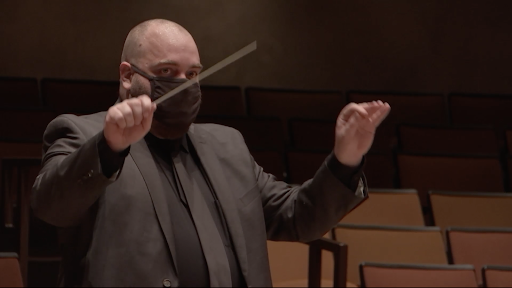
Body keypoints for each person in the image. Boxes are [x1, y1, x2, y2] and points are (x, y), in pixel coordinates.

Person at [31, 19, 390, 287]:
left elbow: (298, 216)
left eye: (193, 74)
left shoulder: (227, 145)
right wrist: (109, 148)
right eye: (167, 72)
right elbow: (51, 207)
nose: (183, 84)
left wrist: (345, 159)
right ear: (127, 76)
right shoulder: (83, 132)